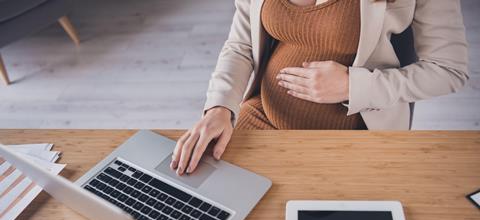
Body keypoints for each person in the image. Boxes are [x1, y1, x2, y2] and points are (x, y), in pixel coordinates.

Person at [171, 0, 469, 175]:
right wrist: (220, 106)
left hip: (354, 136)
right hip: (261, 115)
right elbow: (241, 44)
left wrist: (354, 86)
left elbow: (449, 70)